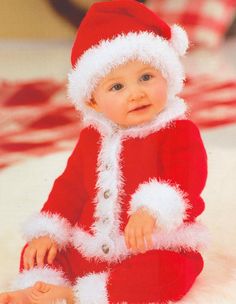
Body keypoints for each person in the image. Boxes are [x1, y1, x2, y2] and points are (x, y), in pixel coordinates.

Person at [0, 0, 208, 303]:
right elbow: (70, 187)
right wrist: (50, 230)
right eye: (116, 87)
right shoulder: (91, 137)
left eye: (146, 77)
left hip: (148, 245)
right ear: (93, 101)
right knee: (40, 250)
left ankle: (76, 294)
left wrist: (151, 211)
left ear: (168, 76)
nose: (136, 92)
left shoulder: (178, 131)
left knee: (171, 270)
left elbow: (185, 180)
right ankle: (41, 288)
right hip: (92, 245)